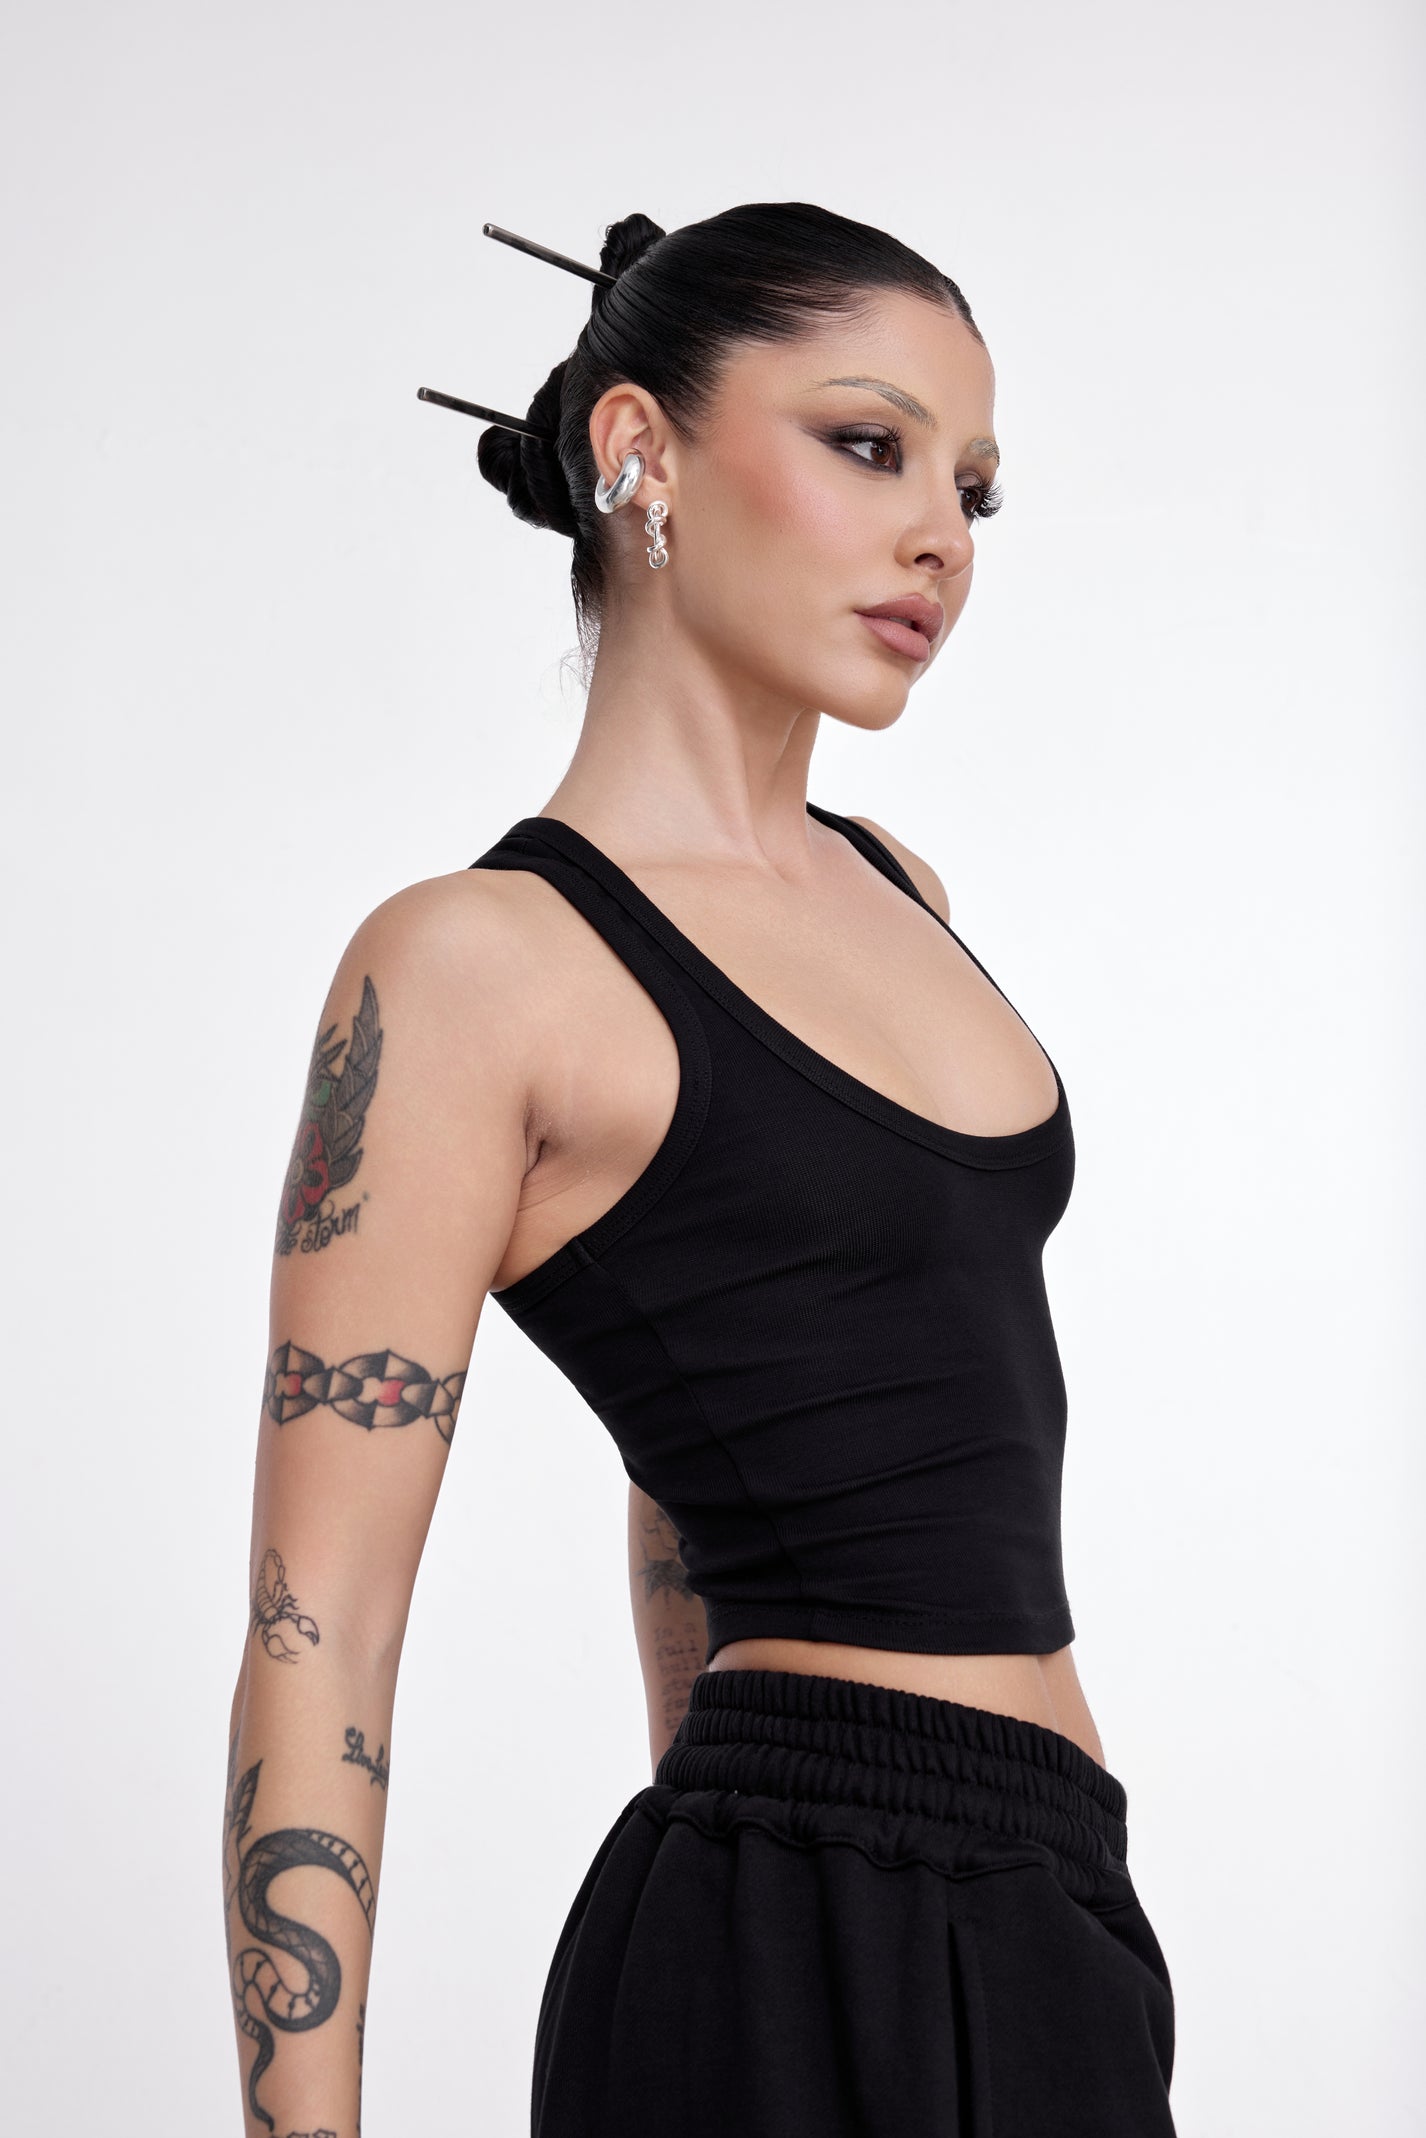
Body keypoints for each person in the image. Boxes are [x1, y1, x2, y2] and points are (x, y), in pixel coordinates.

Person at [223, 201, 1178, 2137]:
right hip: (787, 1922)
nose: (942, 535)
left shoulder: (901, 891)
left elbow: (715, 1410)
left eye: (973, 487)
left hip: (1051, 1894)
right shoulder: (468, 967)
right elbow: (321, 1626)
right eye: (867, 442)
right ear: (637, 449)